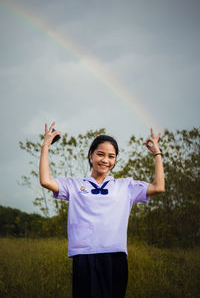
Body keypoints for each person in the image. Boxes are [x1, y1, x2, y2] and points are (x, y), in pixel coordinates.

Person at [39, 122, 165, 298]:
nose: (105, 160)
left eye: (111, 156)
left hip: (115, 258)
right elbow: (45, 180)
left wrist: (157, 154)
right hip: (84, 257)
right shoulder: (74, 185)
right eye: (100, 154)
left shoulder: (125, 186)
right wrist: (45, 146)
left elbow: (158, 187)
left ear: (114, 160)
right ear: (91, 155)